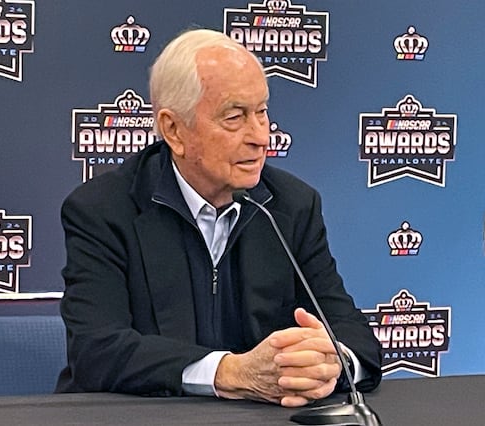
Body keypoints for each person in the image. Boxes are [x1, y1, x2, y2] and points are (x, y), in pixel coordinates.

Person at [56, 28, 382, 407]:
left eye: (262, 112)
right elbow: (97, 351)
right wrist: (229, 372)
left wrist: (330, 363)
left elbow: (354, 335)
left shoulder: (291, 205)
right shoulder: (103, 209)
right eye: (235, 117)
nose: (261, 136)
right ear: (173, 130)